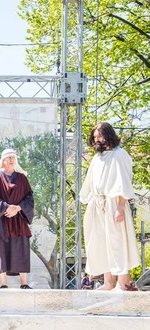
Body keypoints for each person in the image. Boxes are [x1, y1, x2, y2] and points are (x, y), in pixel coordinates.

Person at [80, 122, 140, 291]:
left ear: (109, 135)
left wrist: (120, 207)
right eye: (95, 137)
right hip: (97, 204)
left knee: (117, 242)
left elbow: (124, 182)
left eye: (100, 136)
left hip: (114, 203)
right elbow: (90, 184)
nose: (97, 139)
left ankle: (123, 283)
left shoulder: (119, 154)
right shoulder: (97, 158)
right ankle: (108, 282)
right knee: (101, 243)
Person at [0, 148, 35, 289]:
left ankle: (24, 283)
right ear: (3, 160)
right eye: (8, 157)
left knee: (21, 249)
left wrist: (18, 208)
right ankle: (3, 283)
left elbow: (29, 198)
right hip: (1, 219)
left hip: (18, 219)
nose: (11, 159)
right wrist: (6, 207)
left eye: (13, 157)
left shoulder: (22, 178)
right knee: (1, 249)